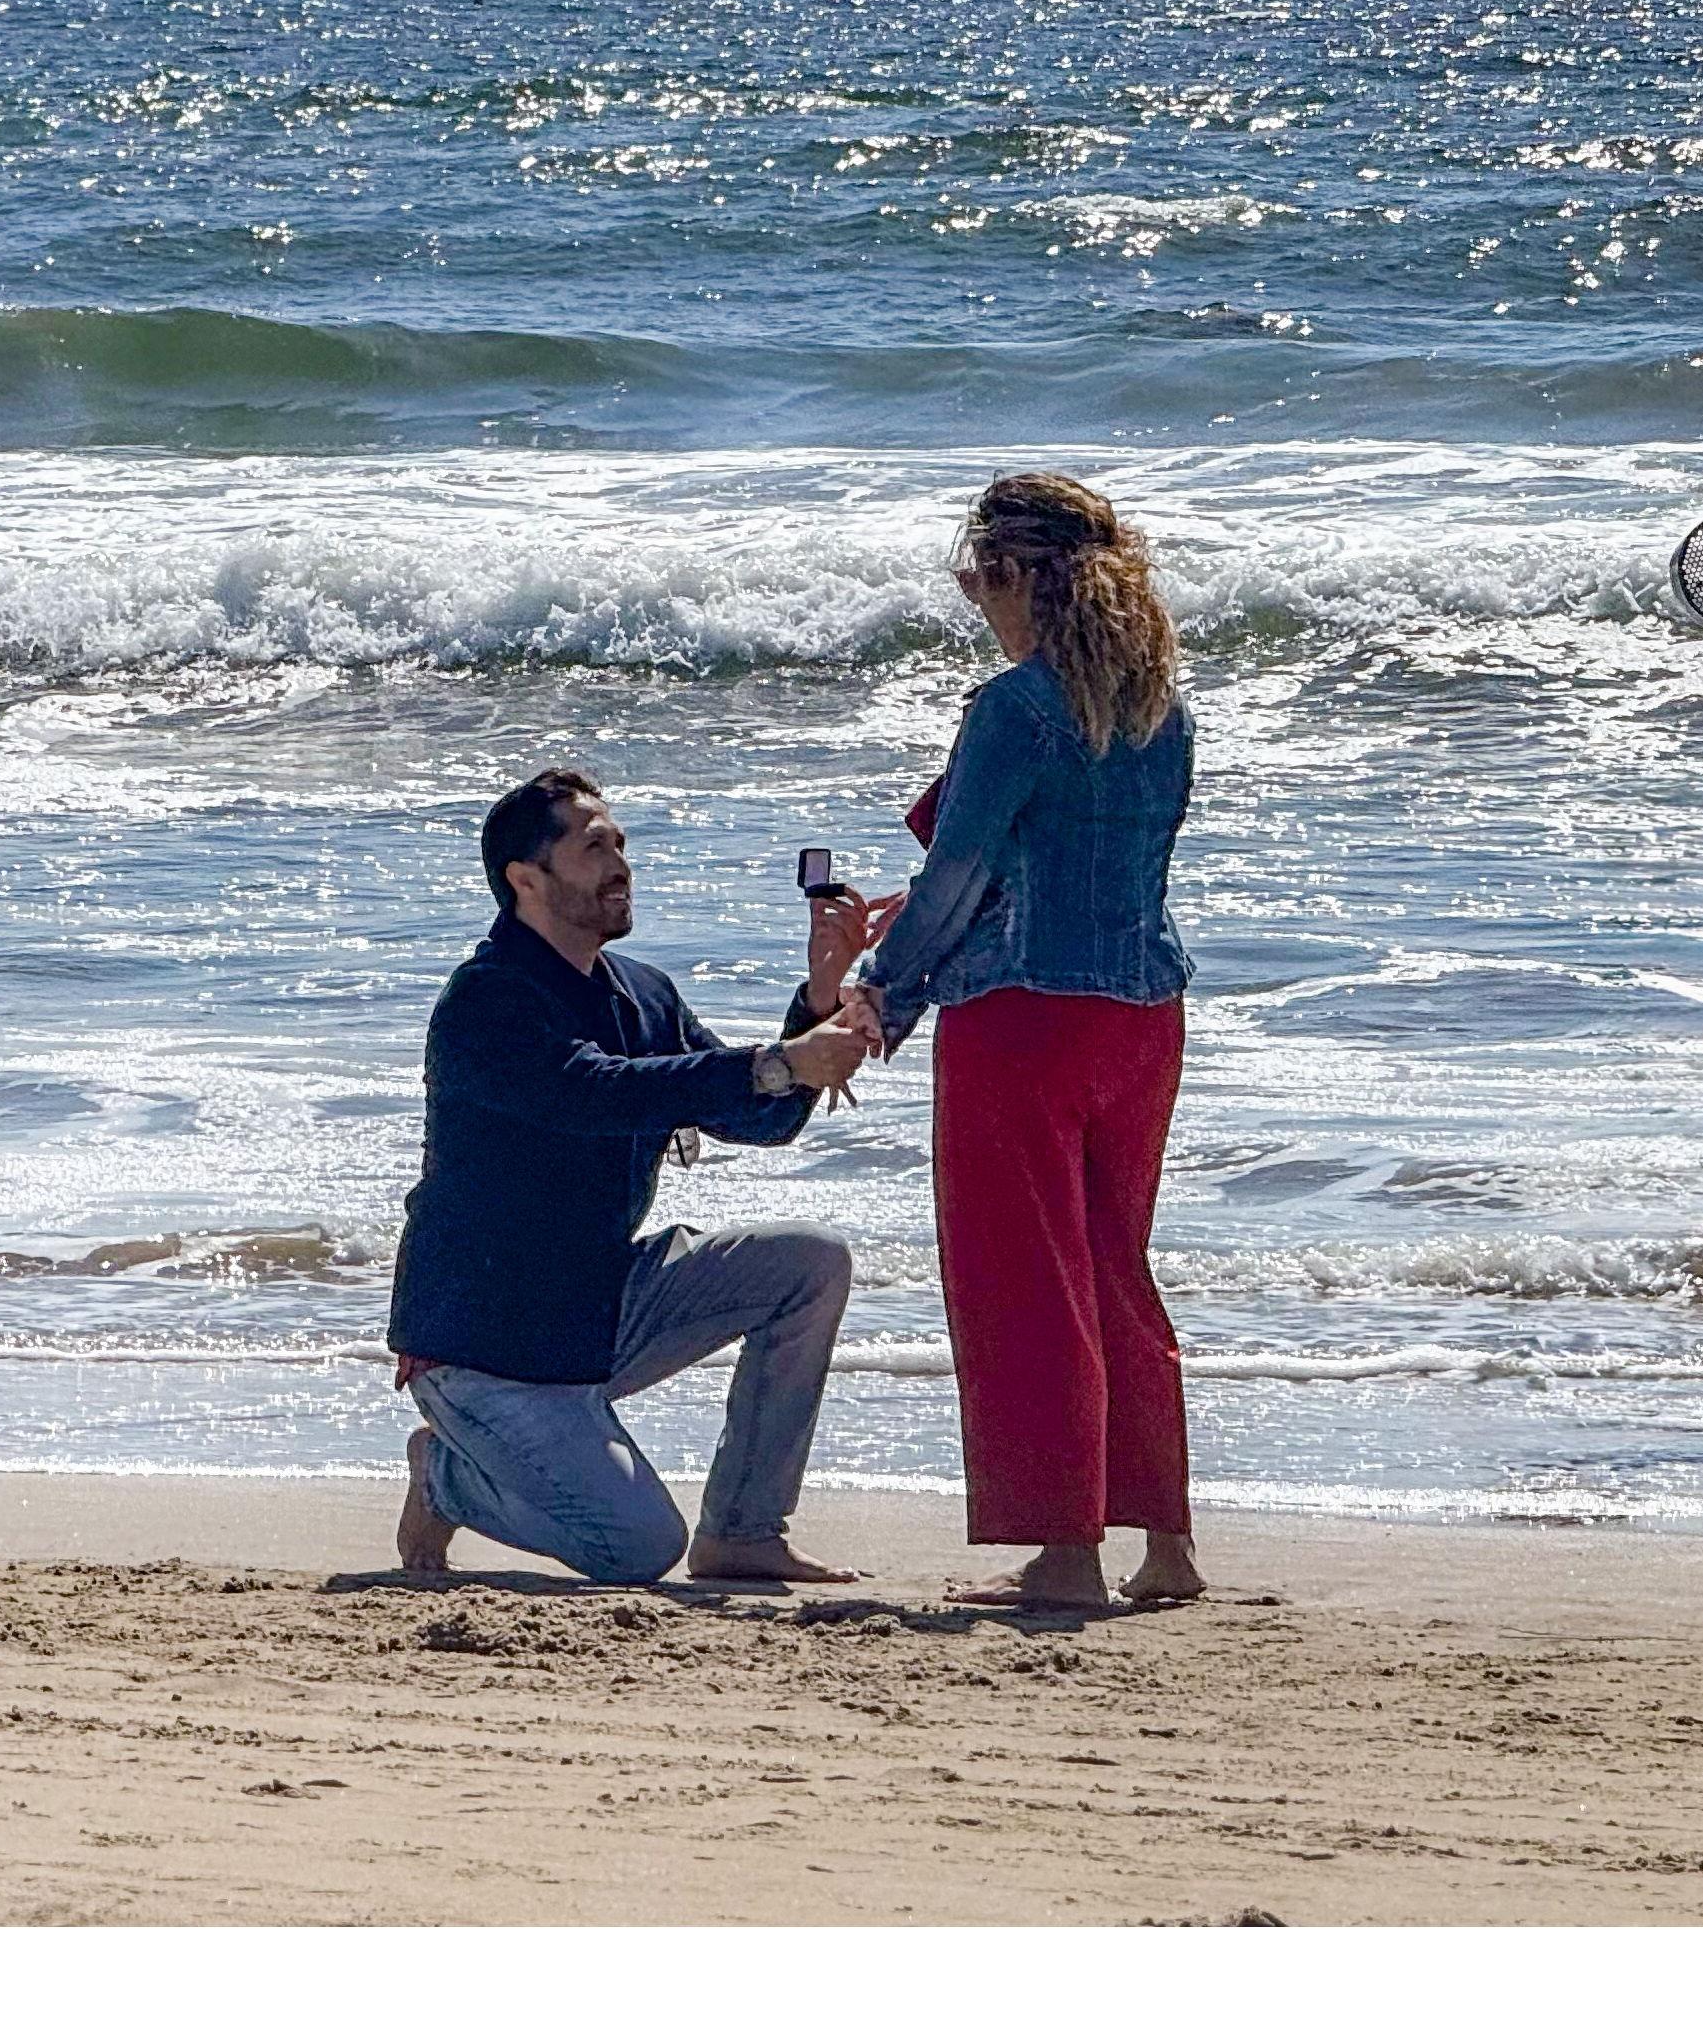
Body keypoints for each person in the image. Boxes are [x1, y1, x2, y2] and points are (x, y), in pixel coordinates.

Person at [838, 474, 1200, 1611]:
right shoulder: (1160, 710)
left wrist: (882, 995)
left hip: (1023, 1018)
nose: (969, 596)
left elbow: (964, 871)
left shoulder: (1016, 708)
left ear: (1014, 576)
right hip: (1143, 1015)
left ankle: (1065, 1551)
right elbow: (1090, 866)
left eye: (975, 575)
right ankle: (1169, 1545)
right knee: (1112, 1269)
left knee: (1023, 1279)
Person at [387, 769, 875, 1588]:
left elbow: (763, 1116)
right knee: (638, 1549)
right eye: (592, 846)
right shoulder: (487, 999)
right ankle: (446, 1474)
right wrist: (776, 1062)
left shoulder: (643, 992)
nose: (618, 862)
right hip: (485, 1346)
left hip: (599, 1305)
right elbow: (592, 1092)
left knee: (810, 1260)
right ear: (525, 879)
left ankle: (745, 1531)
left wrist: (817, 1000)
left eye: (619, 842)